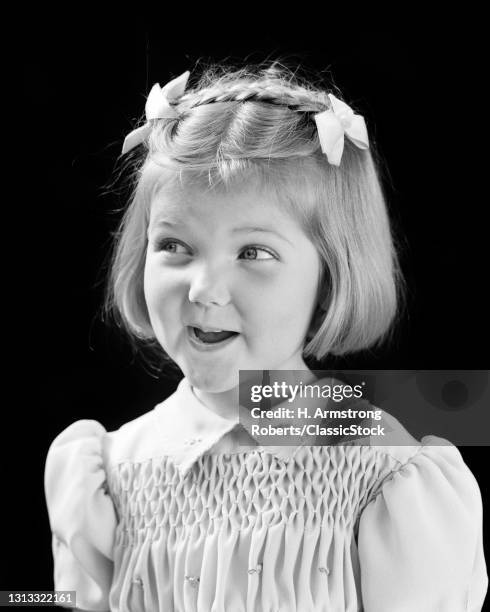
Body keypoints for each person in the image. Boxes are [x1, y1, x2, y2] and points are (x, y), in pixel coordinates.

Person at [44, 61, 488, 611]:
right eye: (174, 246)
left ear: (330, 278)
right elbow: (60, 600)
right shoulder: (102, 473)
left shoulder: (387, 477)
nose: (205, 290)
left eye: (253, 253)